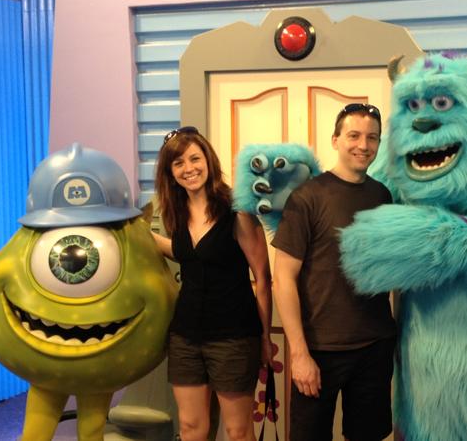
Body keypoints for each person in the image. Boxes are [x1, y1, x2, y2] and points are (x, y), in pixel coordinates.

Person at [271, 103, 397, 441]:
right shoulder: (308, 197)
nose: (363, 145)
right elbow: (283, 279)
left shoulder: (382, 195)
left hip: (374, 345)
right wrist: (299, 354)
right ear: (335, 140)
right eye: (354, 135)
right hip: (319, 350)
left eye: (372, 137)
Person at [152, 126, 273, 441]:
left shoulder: (237, 210)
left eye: (195, 158)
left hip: (234, 338)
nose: (189, 168)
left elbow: (263, 277)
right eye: (178, 163)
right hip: (185, 337)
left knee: (237, 431)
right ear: (170, 172)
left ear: (208, 159)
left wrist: (264, 338)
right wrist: (132, 233)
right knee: (191, 428)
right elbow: (188, 254)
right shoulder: (175, 212)